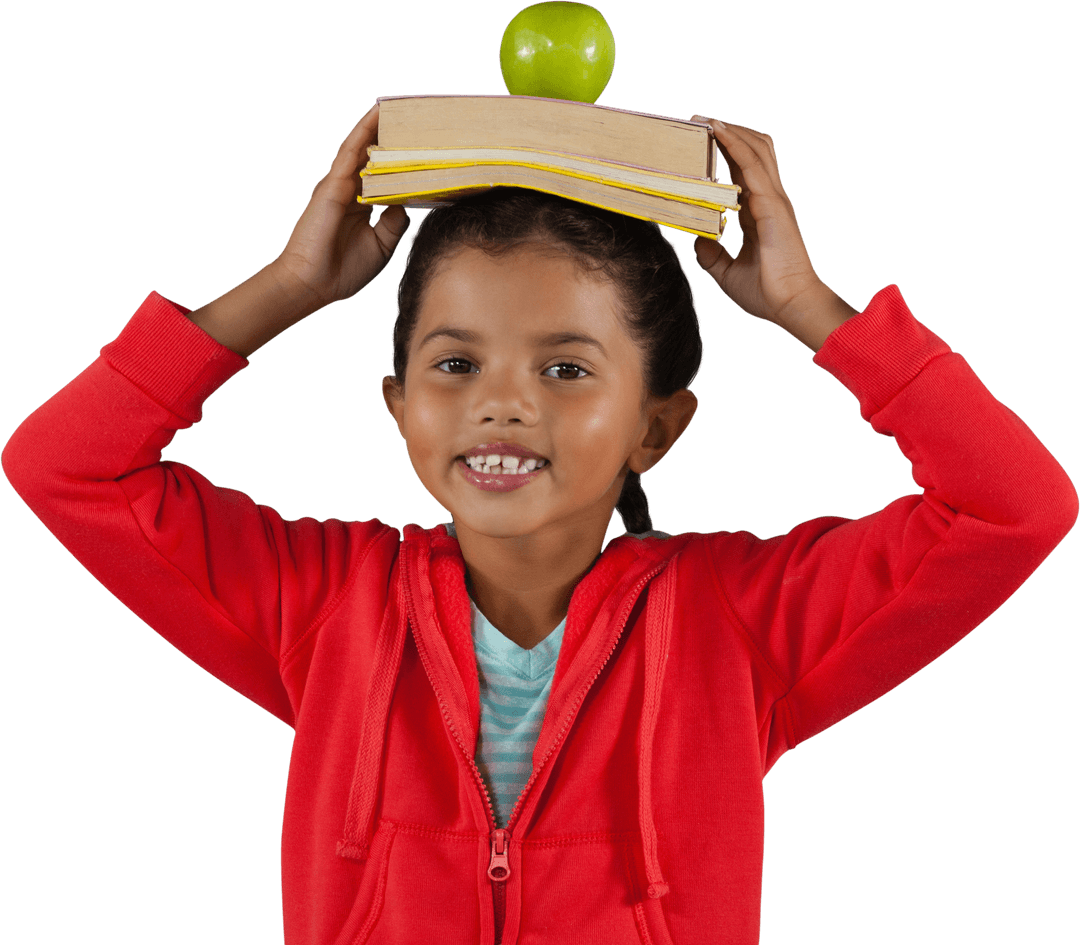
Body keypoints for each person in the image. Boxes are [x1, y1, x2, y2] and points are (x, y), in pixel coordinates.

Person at [3, 101, 1076, 945]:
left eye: (566, 368)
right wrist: (288, 287)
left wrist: (812, 309)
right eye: (456, 363)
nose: (500, 402)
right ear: (399, 406)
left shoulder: (739, 624)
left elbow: (1015, 507)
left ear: (657, 429)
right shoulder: (323, 607)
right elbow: (63, 467)